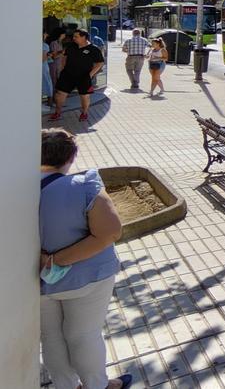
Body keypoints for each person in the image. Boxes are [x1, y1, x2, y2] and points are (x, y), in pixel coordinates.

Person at [39, 129, 131, 389]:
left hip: (36, 284)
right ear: (69, 158)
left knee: (51, 338)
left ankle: (65, 385)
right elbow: (111, 231)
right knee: (83, 335)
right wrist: (56, 259)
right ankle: (98, 385)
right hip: (86, 279)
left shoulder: (12, 189)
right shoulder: (84, 185)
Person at [49, 30, 105, 122]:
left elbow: (100, 63)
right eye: (73, 36)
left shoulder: (94, 49)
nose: (73, 38)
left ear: (84, 37)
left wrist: (90, 75)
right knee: (60, 94)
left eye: (76, 36)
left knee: (84, 96)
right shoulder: (71, 46)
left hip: (84, 76)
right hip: (67, 74)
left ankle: (84, 113)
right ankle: (57, 113)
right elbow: (64, 56)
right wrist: (63, 68)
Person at [42, 32, 55, 105]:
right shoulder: (44, 45)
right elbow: (43, 59)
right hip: (43, 67)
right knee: (48, 84)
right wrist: (49, 55)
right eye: (46, 33)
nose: (47, 35)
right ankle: (49, 103)